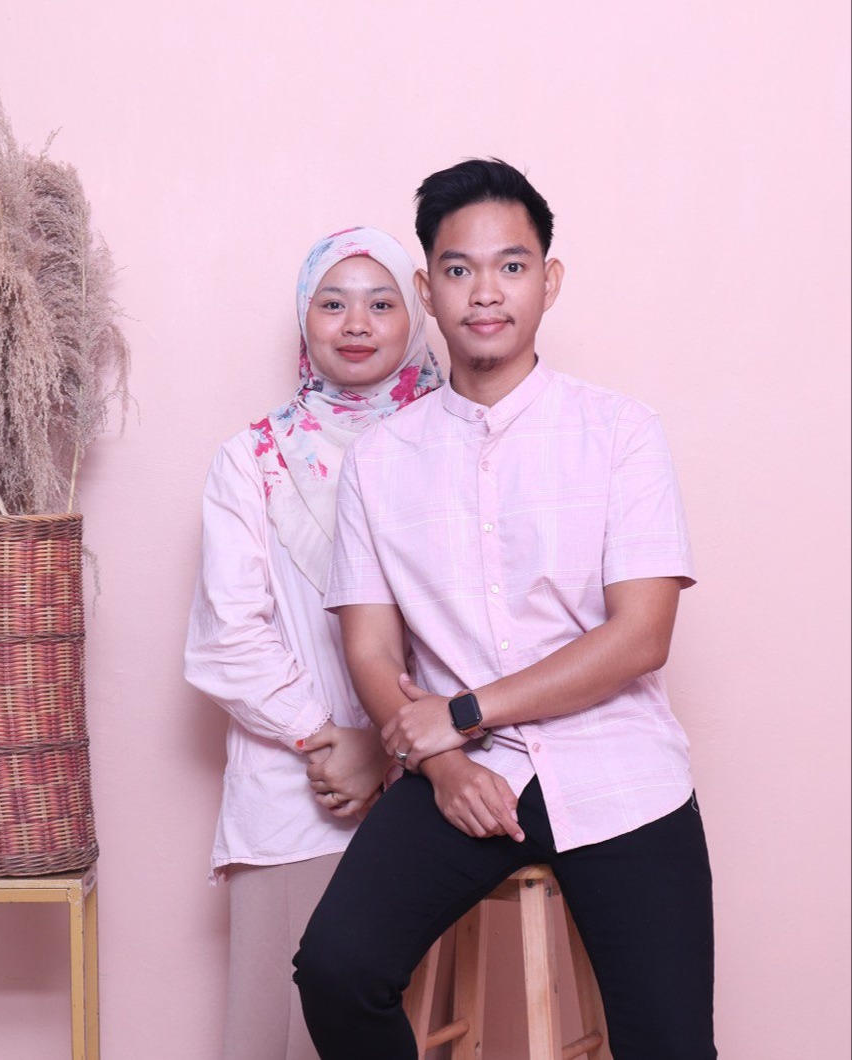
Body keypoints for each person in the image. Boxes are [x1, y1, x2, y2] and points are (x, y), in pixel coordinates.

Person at [293, 160, 716, 1059]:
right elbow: (370, 650)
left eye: (511, 266)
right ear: (427, 290)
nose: (484, 292)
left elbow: (641, 637)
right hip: (463, 775)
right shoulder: (381, 461)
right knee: (335, 970)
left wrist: (461, 714)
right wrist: (445, 764)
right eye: (458, 269)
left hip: (618, 770)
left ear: (547, 281)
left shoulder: (621, 433)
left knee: (671, 1045)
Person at [184, 226, 442, 1060]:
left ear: (416, 318)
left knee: (429, 1028)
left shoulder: (455, 447)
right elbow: (229, 635)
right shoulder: (252, 459)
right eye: (332, 303)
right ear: (305, 319)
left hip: (441, 786)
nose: (356, 323)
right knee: (283, 1034)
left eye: (380, 303)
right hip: (301, 789)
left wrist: (393, 748)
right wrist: (332, 742)